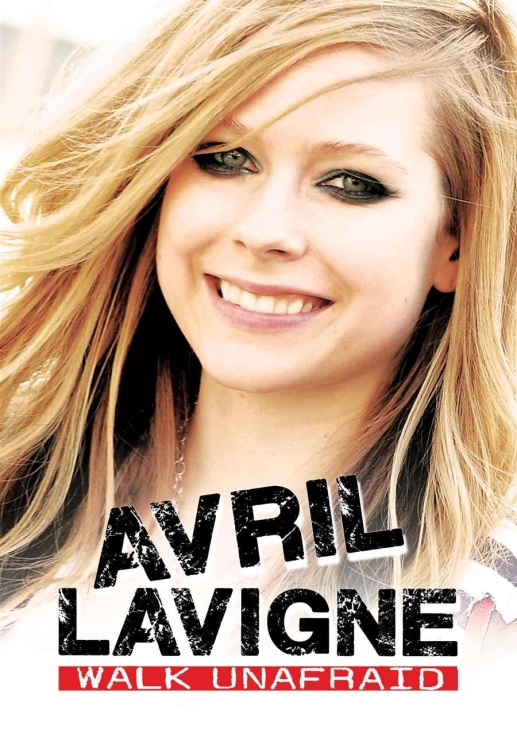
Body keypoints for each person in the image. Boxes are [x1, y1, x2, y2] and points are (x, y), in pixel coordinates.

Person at [0, 0, 516, 659]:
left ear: (456, 243)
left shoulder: (484, 623)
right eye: (225, 158)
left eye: (350, 183)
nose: (264, 229)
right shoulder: (18, 489)